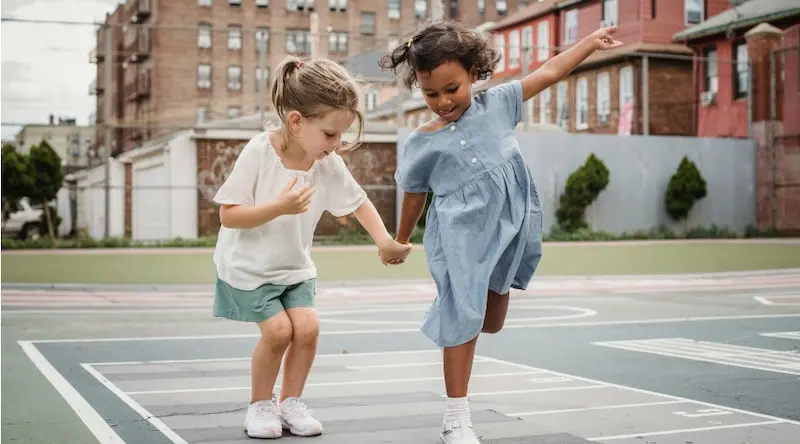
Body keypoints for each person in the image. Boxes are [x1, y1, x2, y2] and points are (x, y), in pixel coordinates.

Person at [380, 21, 623, 444]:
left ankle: (463, 325)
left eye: (451, 88)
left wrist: (587, 43)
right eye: (430, 93)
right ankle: (456, 418)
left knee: (490, 322)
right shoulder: (423, 142)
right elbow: (415, 194)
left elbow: (549, 72)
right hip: (461, 235)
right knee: (463, 317)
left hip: (511, 229)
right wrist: (401, 240)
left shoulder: (500, 104)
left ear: (475, 73)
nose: (442, 101)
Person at [212, 55, 412, 439]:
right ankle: (260, 405)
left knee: (307, 327)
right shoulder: (259, 152)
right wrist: (278, 208)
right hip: (248, 268)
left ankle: (290, 403)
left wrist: (384, 241)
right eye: (330, 134)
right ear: (296, 121)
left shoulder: (326, 162)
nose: (337, 144)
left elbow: (358, 201)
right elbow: (229, 216)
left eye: (341, 135)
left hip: (293, 267)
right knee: (277, 332)